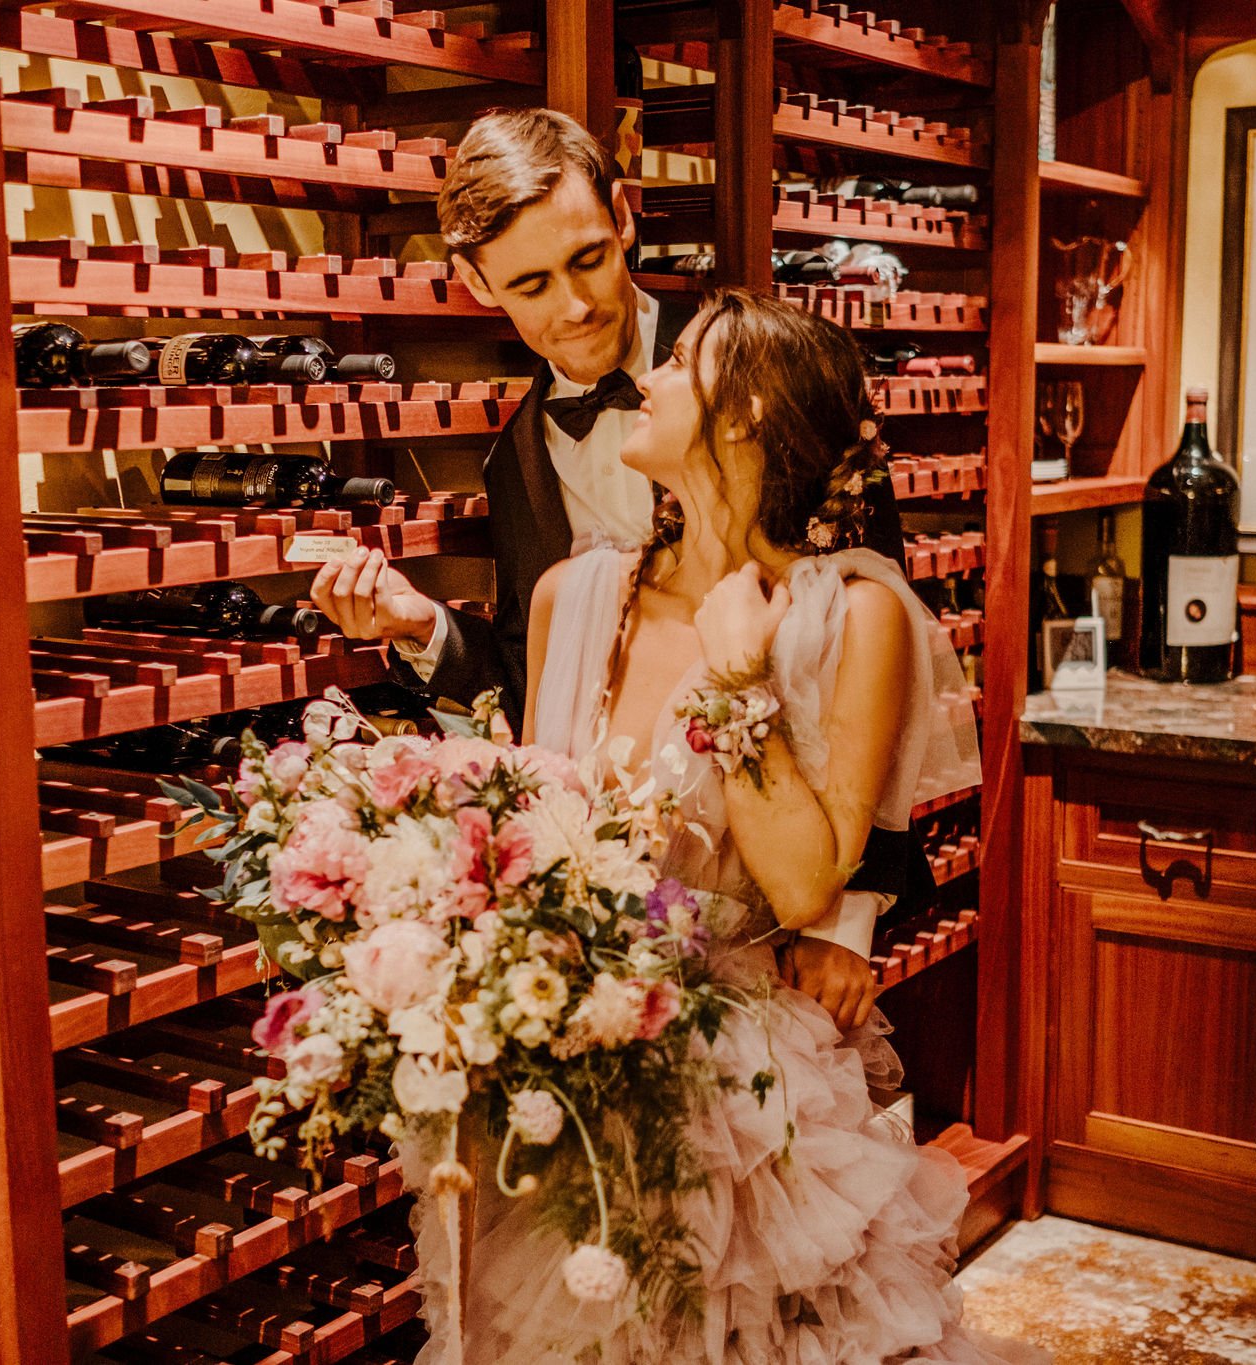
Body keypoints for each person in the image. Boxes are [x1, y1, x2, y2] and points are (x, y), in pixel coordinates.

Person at [408, 289, 1048, 1364]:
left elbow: (802, 887)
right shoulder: (573, 596)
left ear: (744, 414)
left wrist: (739, 675)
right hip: (567, 1068)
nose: (647, 377)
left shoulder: (854, 615)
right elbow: (530, 823)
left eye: (680, 365)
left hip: (742, 1086)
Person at [308, 108, 909, 1033]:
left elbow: (870, 640)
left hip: (782, 922)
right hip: (613, 953)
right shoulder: (514, 461)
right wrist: (421, 626)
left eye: (588, 258)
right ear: (475, 283)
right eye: (531, 284)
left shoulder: (757, 369)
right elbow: (540, 684)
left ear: (624, 215)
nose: (575, 306)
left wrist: (844, 916)